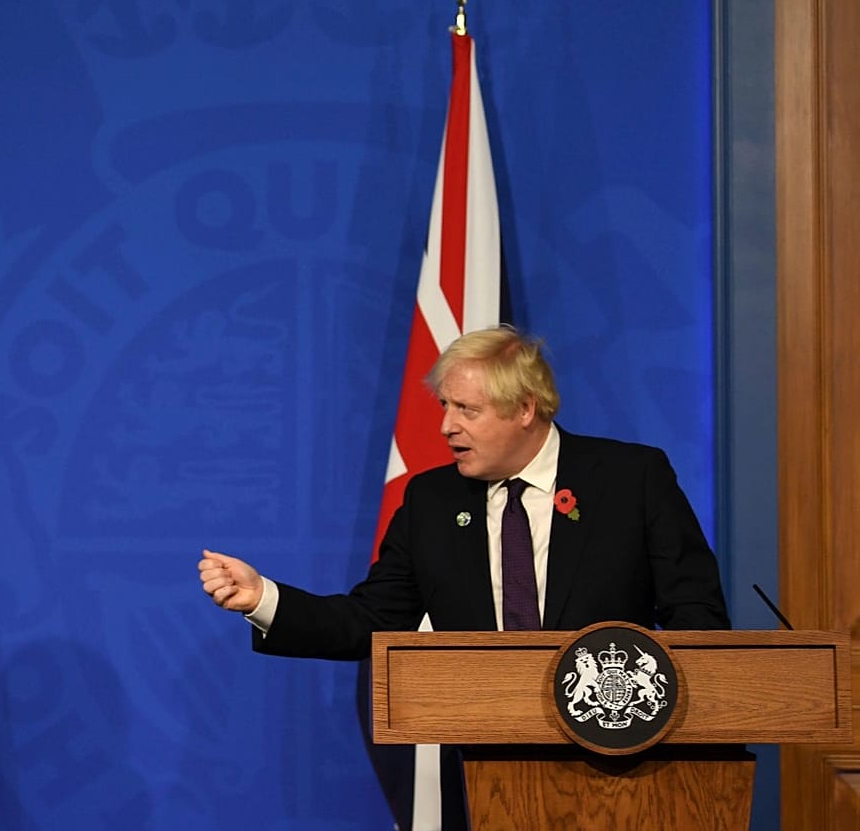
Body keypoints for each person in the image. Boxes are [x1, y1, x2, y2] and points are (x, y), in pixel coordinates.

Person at [196, 325, 730, 828]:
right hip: (485, 778)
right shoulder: (431, 500)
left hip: (624, 773)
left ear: (525, 409)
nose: (446, 426)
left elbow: (698, 619)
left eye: (467, 409)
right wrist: (262, 597)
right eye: (445, 406)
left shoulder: (630, 479)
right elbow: (372, 619)